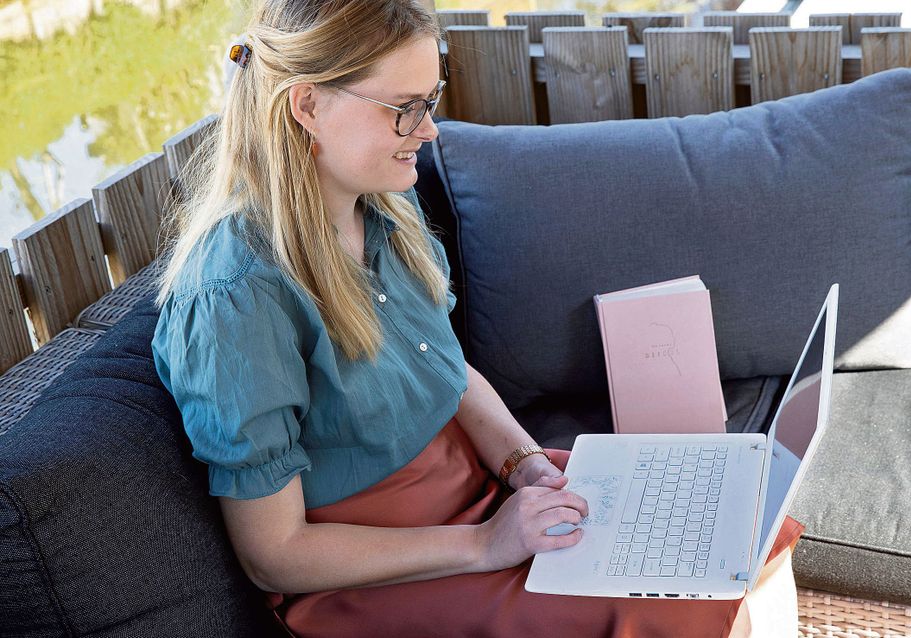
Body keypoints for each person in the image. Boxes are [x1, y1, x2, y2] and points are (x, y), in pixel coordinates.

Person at [151, 1, 802, 636]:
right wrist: (485, 544)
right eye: (406, 109)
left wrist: (523, 462)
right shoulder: (234, 299)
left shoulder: (381, 213)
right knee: (681, 603)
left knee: (738, 521)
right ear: (308, 106)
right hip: (374, 568)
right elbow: (276, 554)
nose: (429, 130)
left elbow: (451, 372)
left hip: (479, 493)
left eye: (430, 101)